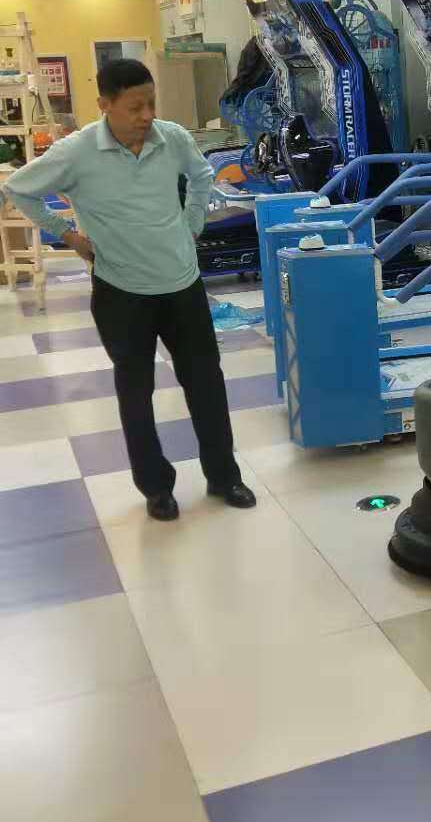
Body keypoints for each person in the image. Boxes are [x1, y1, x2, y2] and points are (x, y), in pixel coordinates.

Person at [2, 58, 256, 522]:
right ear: (105, 104)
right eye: (135, 107)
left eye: (152, 103)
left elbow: (201, 176)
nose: (147, 116)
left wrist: (193, 224)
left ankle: (224, 477)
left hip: (182, 285)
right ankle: (156, 488)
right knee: (135, 393)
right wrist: (68, 235)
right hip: (121, 291)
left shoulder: (171, 138)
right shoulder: (76, 152)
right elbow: (19, 189)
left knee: (206, 383)